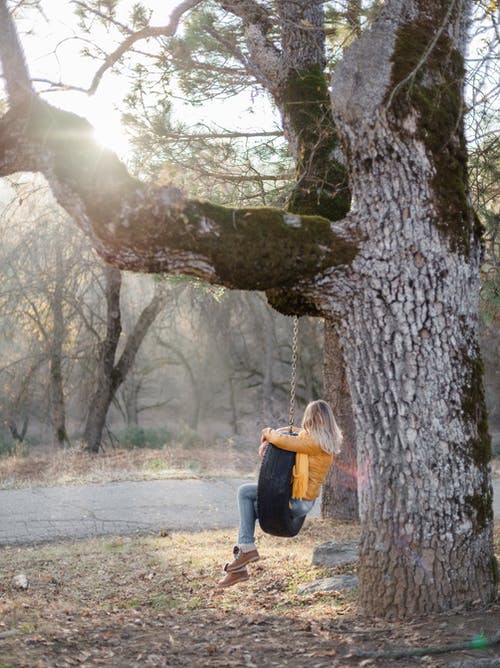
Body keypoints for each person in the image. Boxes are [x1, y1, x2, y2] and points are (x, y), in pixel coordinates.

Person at [216, 399, 343, 588]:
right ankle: (241, 564)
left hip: (297, 502)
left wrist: (267, 433)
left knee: (245, 496)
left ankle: (245, 552)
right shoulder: (322, 441)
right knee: (247, 501)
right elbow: (293, 433)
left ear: (311, 418)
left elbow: (283, 440)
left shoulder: (314, 443)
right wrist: (275, 434)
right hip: (300, 501)